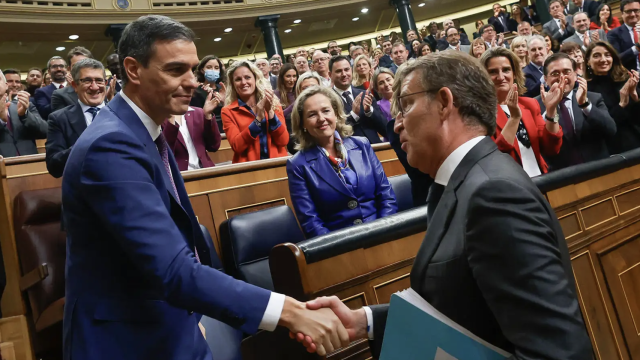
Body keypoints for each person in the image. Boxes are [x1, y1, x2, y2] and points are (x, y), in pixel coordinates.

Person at [62, 15, 349, 360]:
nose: (192, 83)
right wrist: (291, 312)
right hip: (130, 339)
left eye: (193, 70)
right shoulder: (110, 145)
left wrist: (193, 313)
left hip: (170, 320)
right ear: (133, 70)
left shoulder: (144, 130)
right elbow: (172, 269)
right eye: (175, 70)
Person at [294, 51, 593, 360]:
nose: (396, 125)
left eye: (406, 105)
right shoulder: (459, 182)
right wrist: (366, 321)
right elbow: (463, 306)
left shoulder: (494, 194)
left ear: (444, 102)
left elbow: (558, 352)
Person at [286, 86, 397, 238]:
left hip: (382, 235)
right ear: (303, 124)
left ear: (336, 113)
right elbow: (311, 222)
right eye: (312, 115)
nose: (321, 118)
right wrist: (341, 250)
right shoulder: (298, 165)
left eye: (326, 111)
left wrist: (383, 233)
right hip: (339, 247)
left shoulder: (361, 145)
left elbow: (386, 195)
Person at [481, 47, 562, 176]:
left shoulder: (529, 104)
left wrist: (551, 112)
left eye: (506, 70)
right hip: (512, 186)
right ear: (483, 77)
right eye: (493, 72)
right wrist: (514, 118)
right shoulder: (479, 114)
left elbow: (551, 148)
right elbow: (495, 159)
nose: (501, 77)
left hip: (542, 180)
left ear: (514, 73)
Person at [535, 52, 617, 170]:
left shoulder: (593, 98)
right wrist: (550, 110)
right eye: (555, 73)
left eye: (567, 72)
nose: (562, 77)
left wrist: (585, 105)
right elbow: (540, 145)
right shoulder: (534, 106)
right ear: (546, 79)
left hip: (599, 170)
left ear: (575, 75)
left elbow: (611, 130)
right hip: (561, 177)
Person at [46, 59, 107, 178]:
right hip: (84, 191)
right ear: (75, 86)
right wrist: (86, 144)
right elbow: (54, 167)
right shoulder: (59, 119)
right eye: (87, 81)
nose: (94, 87)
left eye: (99, 81)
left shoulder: (122, 114)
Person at [221, 60, 289, 163]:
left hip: (277, 164)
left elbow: (283, 140)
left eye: (247, 77)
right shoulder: (228, 111)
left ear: (255, 79)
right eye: (238, 79)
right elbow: (237, 146)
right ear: (233, 84)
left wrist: (270, 112)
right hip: (248, 170)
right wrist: (258, 119)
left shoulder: (273, 103)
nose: (244, 82)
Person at [586, 41, 640, 153]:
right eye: (596, 56)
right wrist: (621, 105)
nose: (603, 59)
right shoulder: (586, 90)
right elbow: (602, 127)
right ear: (588, 61)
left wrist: (635, 98)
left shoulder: (625, 79)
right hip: (615, 150)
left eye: (607, 55)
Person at [329, 55, 388, 144]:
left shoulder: (365, 94)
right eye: (338, 71)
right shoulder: (328, 100)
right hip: (350, 152)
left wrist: (370, 112)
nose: (344, 74)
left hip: (377, 149)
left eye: (346, 69)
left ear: (351, 70)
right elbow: (333, 131)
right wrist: (353, 116)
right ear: (330, 75)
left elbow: (385, 130)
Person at [0, 70, 47, 158]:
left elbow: (45, 131)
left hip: (31, 165)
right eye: (11, 81)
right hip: (3, 168)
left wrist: (24, 115)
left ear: (5, 85)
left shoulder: (24, 105)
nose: (14, 84)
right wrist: (1, 120)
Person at [51, 46, 94, 113]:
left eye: (85, 64)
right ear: (69, 69)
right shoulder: (60, 95)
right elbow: (62, 121)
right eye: (76, 66)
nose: (81, 69)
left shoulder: (106, 91)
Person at [191, 55, 226, 127]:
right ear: (202, 70)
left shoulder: (223, 89)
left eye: (216, 68)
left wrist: (225, 102)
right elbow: (194, 118)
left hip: (225, 127)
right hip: (206, 128)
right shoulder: (196, 91)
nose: (213, 70)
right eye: (209, 67)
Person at [607, 0, 640, 72]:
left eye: (636, 10)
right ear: (622, 13)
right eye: (628, 11)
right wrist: (637, 47)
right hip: (630, 77)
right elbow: (615, 59)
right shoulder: (614, 34)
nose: (633, 14)